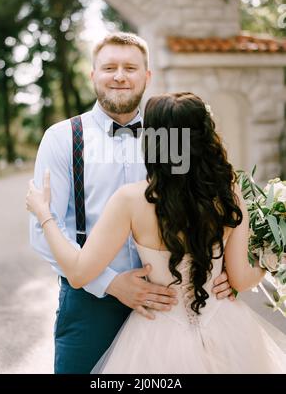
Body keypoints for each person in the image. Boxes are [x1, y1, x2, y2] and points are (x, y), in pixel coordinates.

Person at [29, 34, 235, 374]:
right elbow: (44, 227)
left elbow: (203, 203)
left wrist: (224, 270)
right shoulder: (63, 137)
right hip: (91, 302)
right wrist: (111, 283)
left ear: (147, 76)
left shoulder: (171, 133)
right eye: (109, 67)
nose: (120, 76)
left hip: (170, 305)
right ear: (92, 74)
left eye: (130, 67)